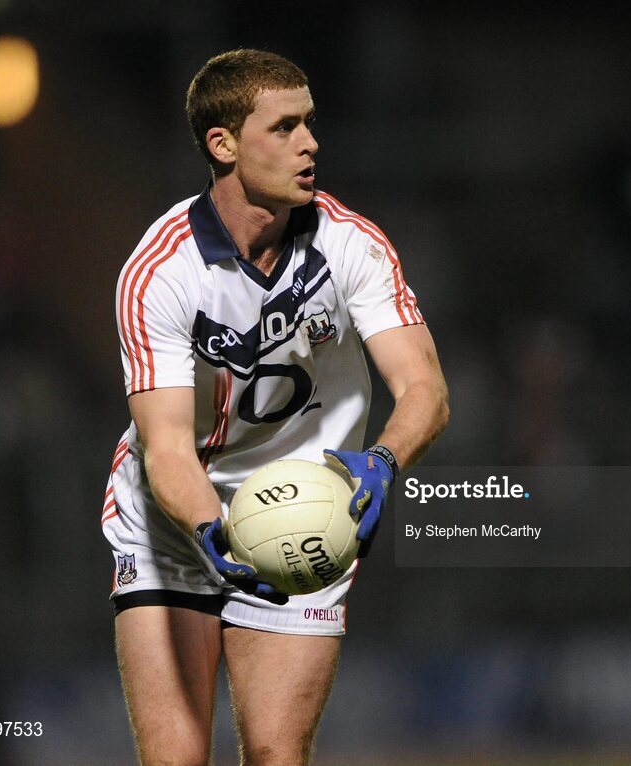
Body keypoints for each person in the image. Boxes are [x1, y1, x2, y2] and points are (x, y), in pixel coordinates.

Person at [101, 48, 449, 766]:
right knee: (175, 759)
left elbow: (425, 390)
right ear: (222, 144)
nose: (310, 143)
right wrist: (210, 528)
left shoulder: (352, 246)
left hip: (301, 514)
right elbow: (166, 447)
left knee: (275, 754)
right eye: (285, 127)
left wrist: (383, 462)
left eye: (310, 122)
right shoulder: (160, 270)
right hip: (172, 526)